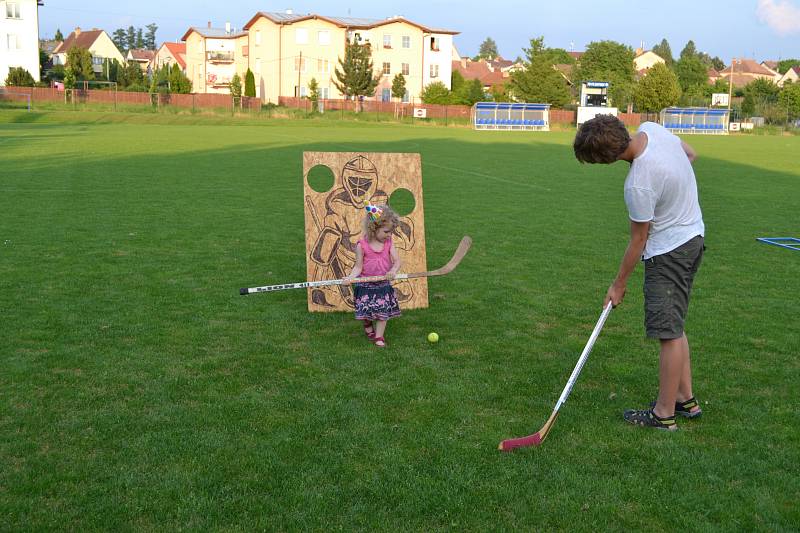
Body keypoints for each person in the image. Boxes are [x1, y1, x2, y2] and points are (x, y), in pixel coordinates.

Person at [573, 115, 705, 431]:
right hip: (694, 238)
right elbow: (690, 154)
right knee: (675, 324)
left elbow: (639, 240)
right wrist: (673, 192)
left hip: (669, 252)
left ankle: (664, 414)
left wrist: (618, 284)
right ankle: (685, 399)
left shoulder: (638, 183)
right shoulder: (652, 129)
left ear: (606, 159)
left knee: (668, 333)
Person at [342, 204, 402, 347]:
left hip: (383, 284)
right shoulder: (361, 245)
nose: (389, 235)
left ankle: (379, 337)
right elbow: (358, 267)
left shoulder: (388, 243)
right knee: (366, 310)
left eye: (391, 232)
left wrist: (393, 271)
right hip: (365, 284)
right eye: (386, 231)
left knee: (382, 311)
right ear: (373, 228)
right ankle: (368, 325)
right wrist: (351, 278)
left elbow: (397, 261)